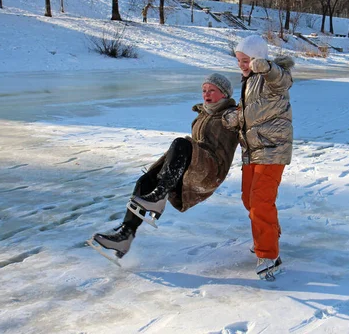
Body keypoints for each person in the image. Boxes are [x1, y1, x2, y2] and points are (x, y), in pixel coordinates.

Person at [87, 73, 239, 265]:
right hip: (194, 164)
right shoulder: (204, 114)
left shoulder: (231, 115)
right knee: (146, 181)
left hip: (211, 170)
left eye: (212, 90)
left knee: (181, 143)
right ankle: (125, 236)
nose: (206, 94)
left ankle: (159, 196)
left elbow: (248, 125)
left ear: (224, 94)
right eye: (204, 90)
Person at [223, 35, 294, 280]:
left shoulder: (271, 77)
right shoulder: (248, 83)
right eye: (239, 60)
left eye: (246, 60)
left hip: (273, 148)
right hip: (251, 151)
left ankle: (269, 254)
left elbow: (282, 79)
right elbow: (250, 114)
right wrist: (232, 118)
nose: (241, 64)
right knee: (249, 199)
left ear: (257, 59)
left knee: (260, 201)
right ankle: (269, 233)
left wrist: (266, 66)